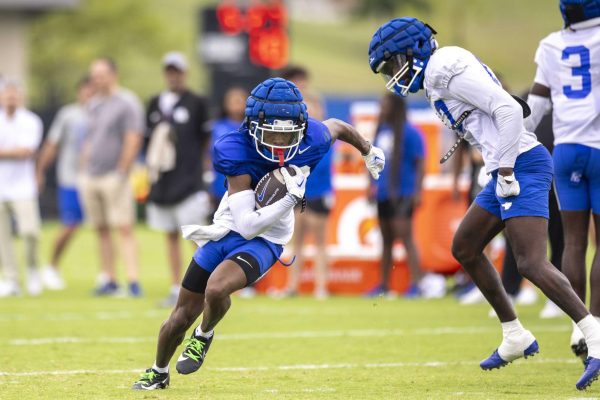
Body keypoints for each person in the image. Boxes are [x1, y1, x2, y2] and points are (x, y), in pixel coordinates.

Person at [368, 16, 600, 390]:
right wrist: (495, 166)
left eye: (394, 63)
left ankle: (594, 334)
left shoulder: (444, 67)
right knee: (466, 246)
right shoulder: (435, 75)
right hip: (505, 165)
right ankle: (514, 335)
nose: (393, 74)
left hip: (521, 164)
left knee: (531, 262)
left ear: (414, 51)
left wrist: (506, 169)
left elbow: (508, 109)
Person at [132, 77, 385, 390]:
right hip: (230, 228)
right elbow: (247, 223)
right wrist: (291, 199)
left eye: (286, 134)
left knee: (216, 289)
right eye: (272, 133)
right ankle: (158, 372)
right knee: (180, 315)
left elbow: (338, 126)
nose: (279, 142)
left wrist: (369, 149)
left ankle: (204, 335)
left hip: (267, 240)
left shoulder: (313, 137)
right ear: (252, 127)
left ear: (301, 128)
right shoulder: (234, 148)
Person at [525, 0, 600, 363]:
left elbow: (535, 105)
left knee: (572, 242)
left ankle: (579, 324)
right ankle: (597, 325)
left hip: (566, 149)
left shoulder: (551, 44)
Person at [145, 52, 211, 307]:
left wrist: (203, 170)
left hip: (189, 180)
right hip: (164, 181)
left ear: (185, 73)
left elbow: (205, 140)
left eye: (178, 71)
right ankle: (176, 286)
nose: (173, 75)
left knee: (197, 235)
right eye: (169, 71)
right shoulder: (154, 103)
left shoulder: (197, 102)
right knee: (169, 234)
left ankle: (203, 286)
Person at [80, 58, 144, 297]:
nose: (97, 79)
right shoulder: (94, 103)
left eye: (101, 74)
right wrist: (83, 168)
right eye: (93, 75)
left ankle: (133, 281)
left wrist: (121, 169)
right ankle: (109, 279)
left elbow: (133, 137)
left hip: (114, 176)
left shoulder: (126, 102)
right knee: (101, 229)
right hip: (92, 175)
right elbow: (90, 138)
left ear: (113, 74)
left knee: (124, 227)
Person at [36, 77, 93, 291]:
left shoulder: (103, 114)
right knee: (70, 223)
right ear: (79, 92)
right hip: (72, 178)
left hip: (96, 179)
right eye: (86, 91)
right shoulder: (69, 115)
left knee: (105, 227)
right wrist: (40, 170)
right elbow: (52, 144)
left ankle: (107, 276)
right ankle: (51, 266)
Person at [365, 92, 425, 299]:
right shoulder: (381, 130)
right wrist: (370, 185)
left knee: (406, 237)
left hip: (404, 192)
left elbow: (420, 163)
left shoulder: (410, 132)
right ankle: (383, 285)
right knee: (386, 239)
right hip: (383, 193)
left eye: (385, 104)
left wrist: (418, 191)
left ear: (396, 107)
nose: (381, 108)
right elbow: (371, 160)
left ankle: (417, 284)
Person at [283, 91, 333, 299]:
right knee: (297, 242)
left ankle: (321, 286)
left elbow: (323, 166)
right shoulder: (295, 138)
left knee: (320, 241)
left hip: (318, 194)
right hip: (298, 195)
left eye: (314, 108)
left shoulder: (326, 136)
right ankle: (292, 285)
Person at [0, 81, 43, 297]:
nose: (11, 99)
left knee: (30, 232)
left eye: (14, 95)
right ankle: (11, 279)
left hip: (23, 188)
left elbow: (26, 151)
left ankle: (33, 270)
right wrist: (13, 152)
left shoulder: (30, 121)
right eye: (7, 95)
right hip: (1, 187)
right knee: (3, 237)